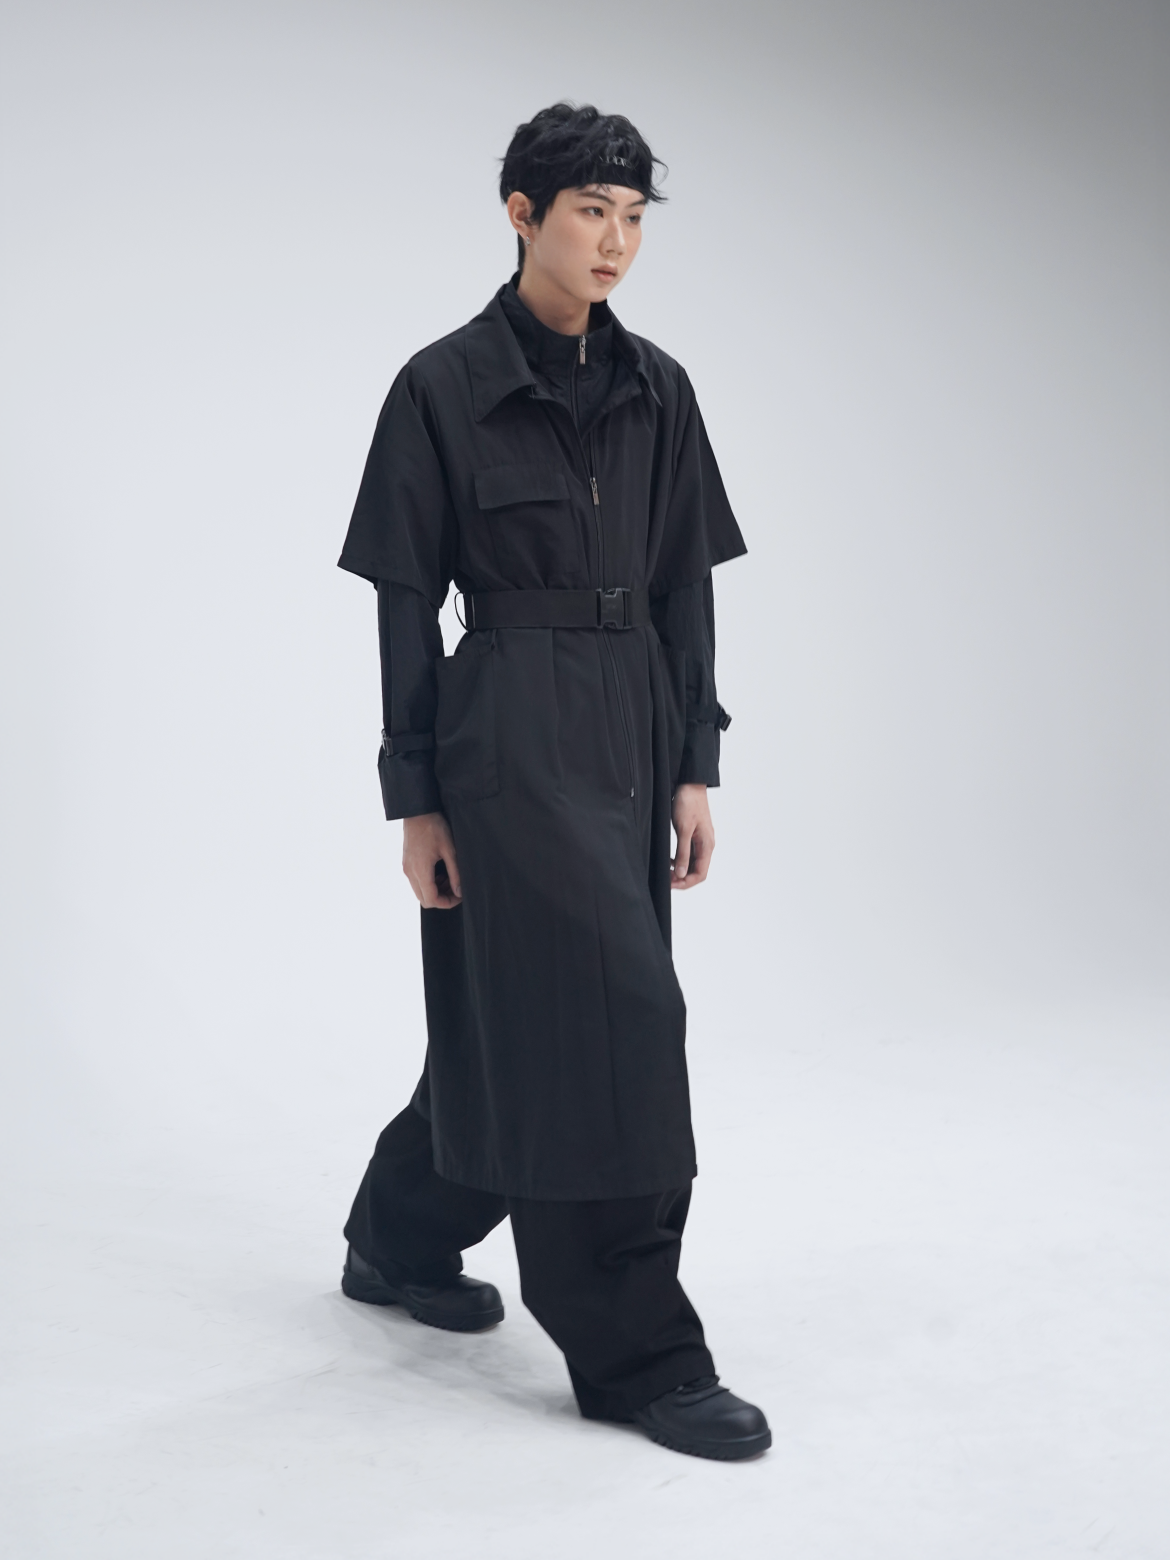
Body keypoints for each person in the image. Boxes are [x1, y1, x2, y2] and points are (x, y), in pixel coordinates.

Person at [337, 102, 768, 1461]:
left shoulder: (660, 390)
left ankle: (397, 1236)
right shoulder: (441, 387)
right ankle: (639, 1352)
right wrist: (415, 795)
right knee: (612, 1020)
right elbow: (405, 603)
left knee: (513, 1012)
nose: (616, 241)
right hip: (507, 730)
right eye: (591, 211)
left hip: (633, 724)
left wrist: (694, 762)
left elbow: (684, 585)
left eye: (634, 217)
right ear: (521, 215)